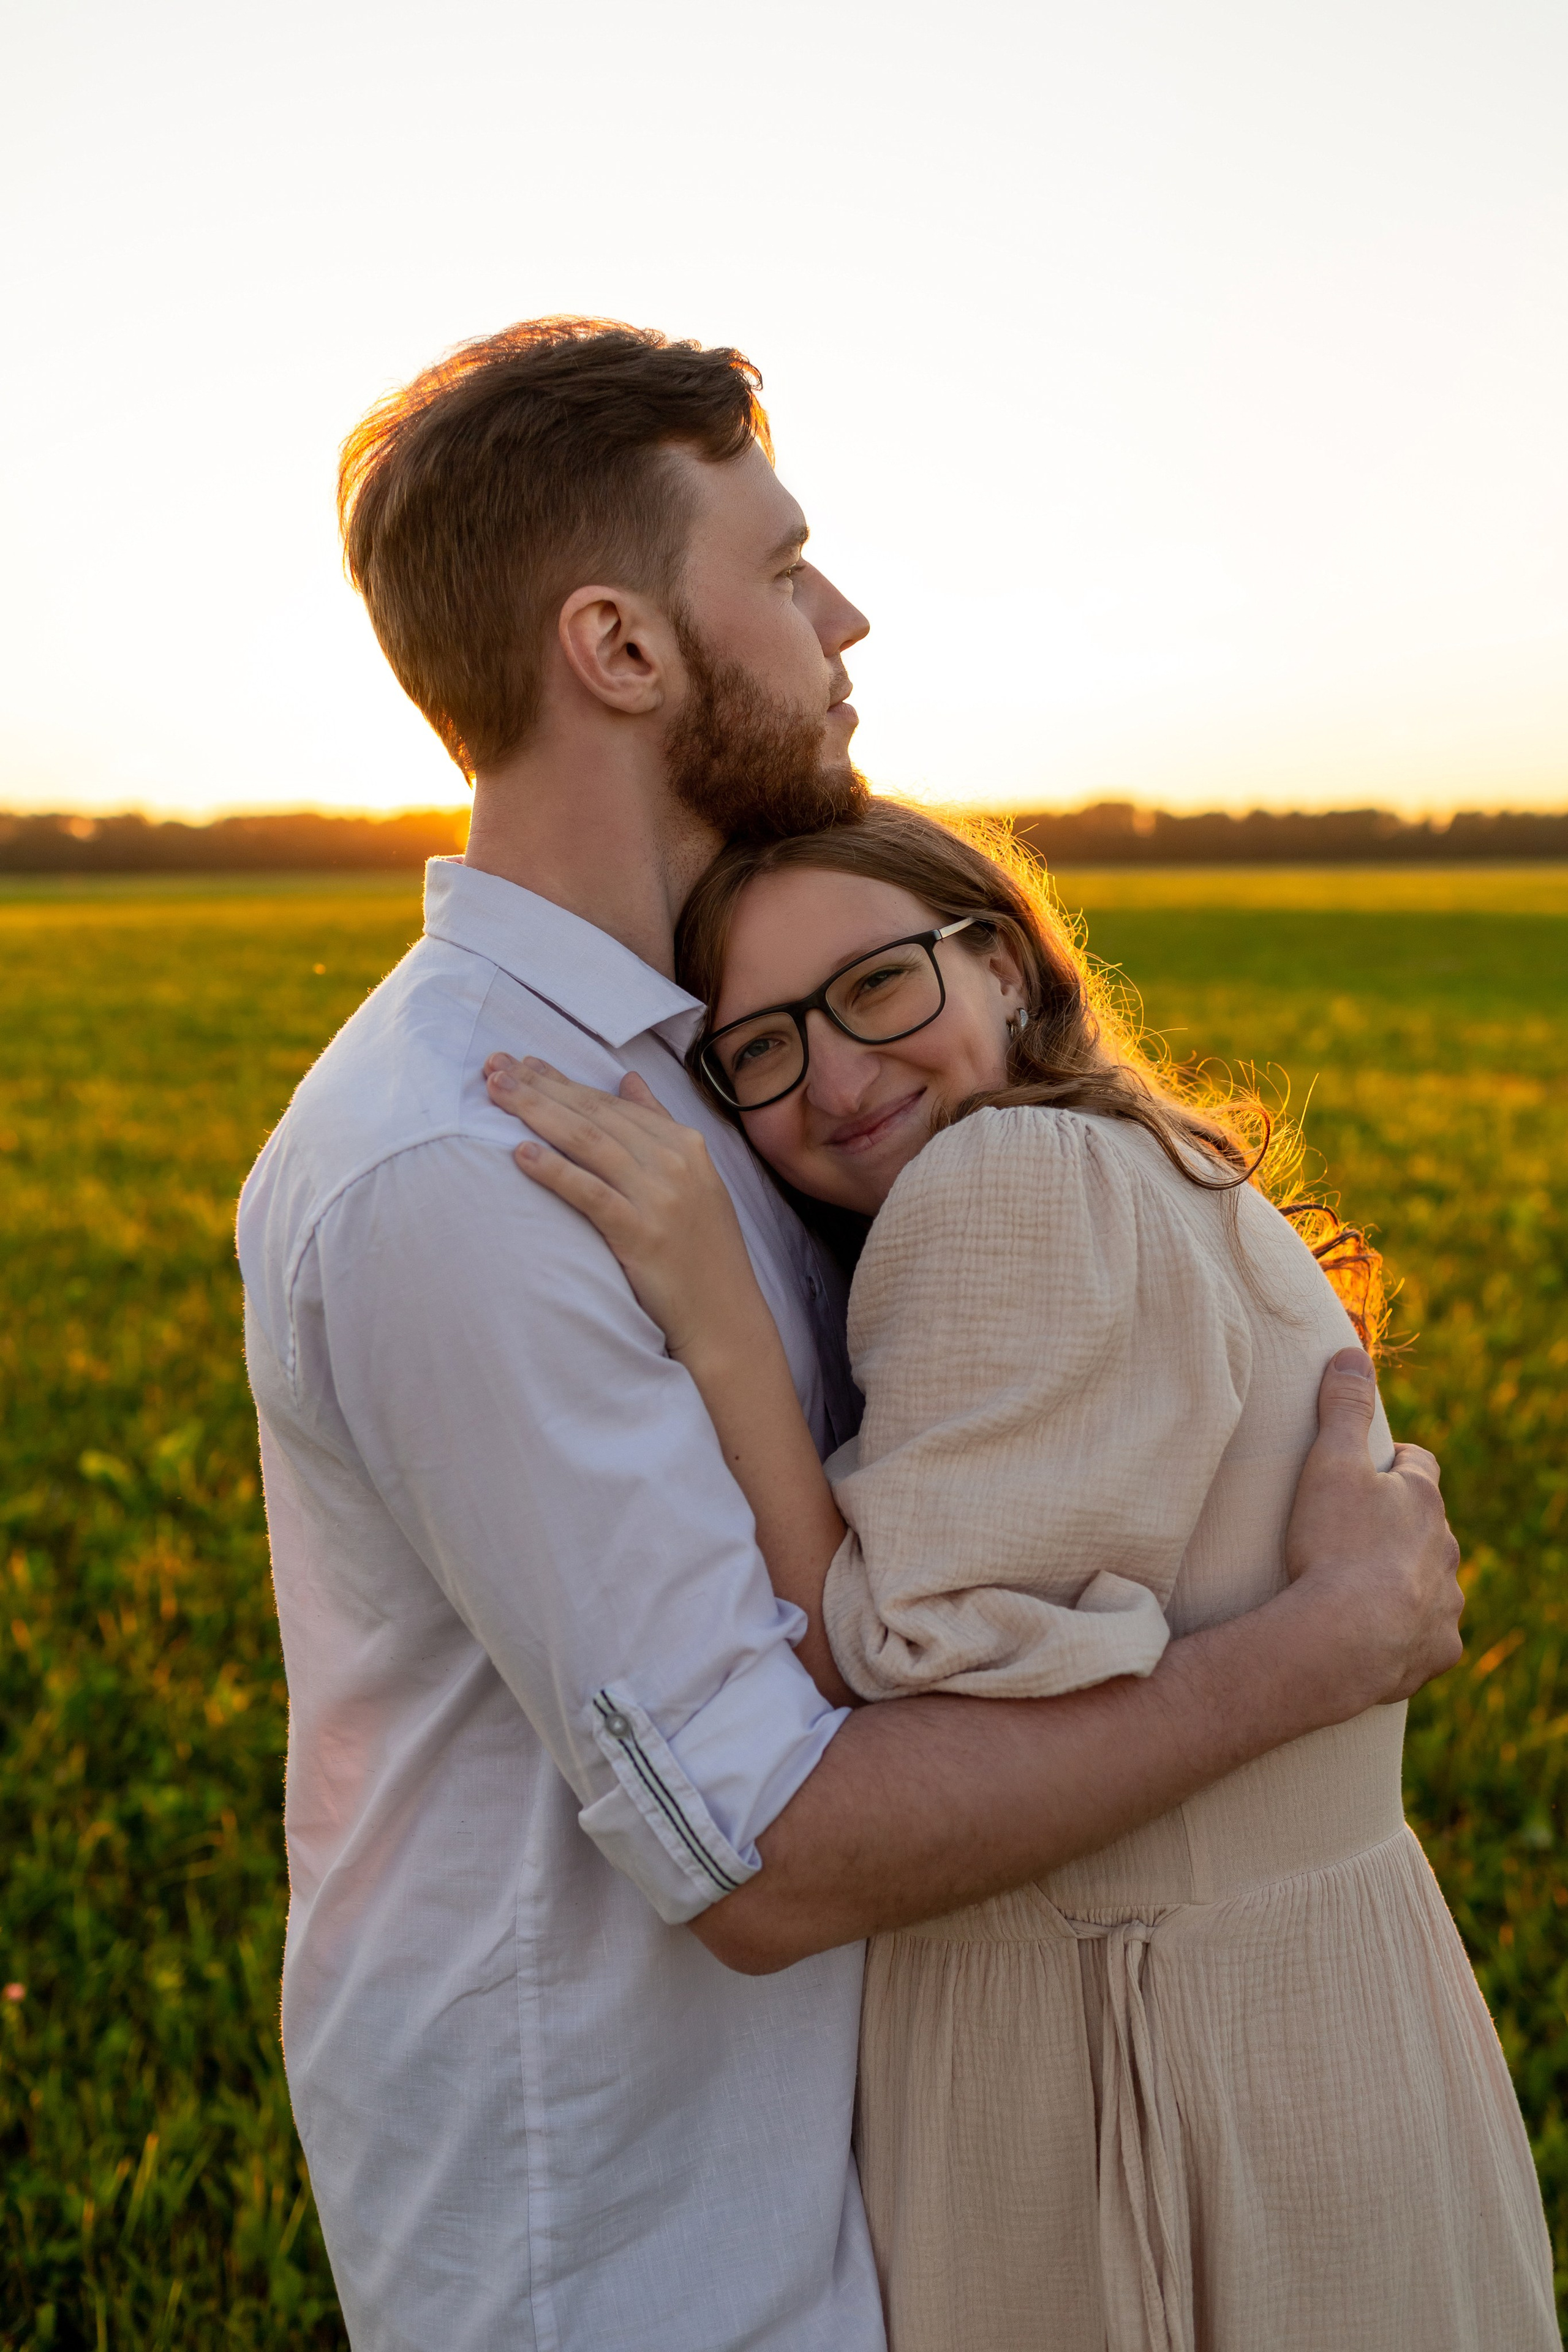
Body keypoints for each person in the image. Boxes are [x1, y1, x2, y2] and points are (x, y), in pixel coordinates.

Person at [238, 317, 1464, 2352]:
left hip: (868, 2201)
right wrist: (1318, 1658)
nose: (845, 615)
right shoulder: (465, 1167)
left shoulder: (730, 1086)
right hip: (635, 2258)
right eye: (785, 564)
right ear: (622, 651)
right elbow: (758, 1859)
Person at [484, 797, 1554, 2350]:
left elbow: (874, 1668)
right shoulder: (1147, 1159)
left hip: (1127, 2062)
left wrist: (714, 1306)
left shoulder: (1011, 1185)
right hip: (1323, 2016)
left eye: (873, 988)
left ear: (998, 966)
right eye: (763, 1048)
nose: (835, 1077)